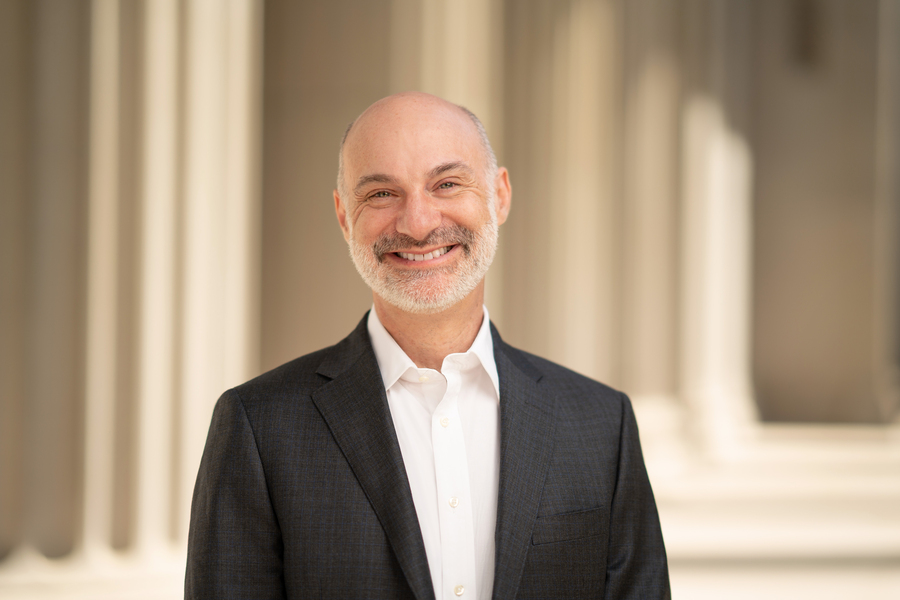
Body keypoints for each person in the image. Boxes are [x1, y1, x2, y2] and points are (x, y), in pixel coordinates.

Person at [185, 92, 670, 600]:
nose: (418, 224)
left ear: (499, 196)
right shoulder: (259, 427)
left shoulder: (601, 424)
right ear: (344, 215)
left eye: (447, 184)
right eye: (380, 194)